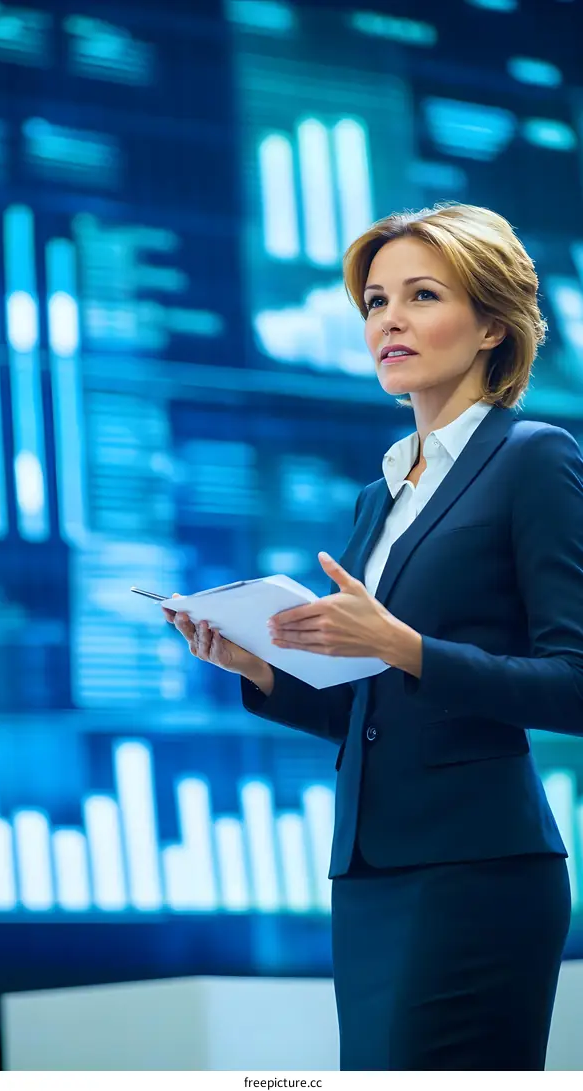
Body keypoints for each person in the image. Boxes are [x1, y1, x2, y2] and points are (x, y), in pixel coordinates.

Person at [163, 202, 583, 1071]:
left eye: (421, 295)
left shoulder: (535, 457)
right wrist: (262, 667)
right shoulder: (379, 495)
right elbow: (375, 712)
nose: (388, 319)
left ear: (493, 328)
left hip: (478, 866)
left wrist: (407, 646)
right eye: (375, 301)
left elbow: (574, 683)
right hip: (368, 874)